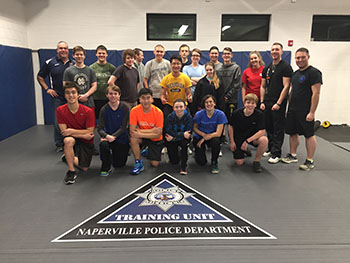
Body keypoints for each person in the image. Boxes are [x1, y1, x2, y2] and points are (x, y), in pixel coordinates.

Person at [281, 48, 322, 171]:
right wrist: (289, 106)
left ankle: (309, 160)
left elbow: (316, 94)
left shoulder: (314, 73)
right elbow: (292, 91)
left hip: (305, 110)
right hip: (293, 109)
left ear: (308, 57)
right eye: (297, 58)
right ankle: (293, 155)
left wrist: (312, 112)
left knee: (309, 134)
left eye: (302, 57)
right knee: (293, 133)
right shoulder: (295, 74)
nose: (300, 60)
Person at [37, 40, 73, 152]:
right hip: (57, 96)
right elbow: (40, 77)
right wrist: (47, 89)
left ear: (68, 50)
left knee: (71, 120)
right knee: (58, 121)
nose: (63, 50)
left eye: (65, 48)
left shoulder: (73, 62)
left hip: (71, 97)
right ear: (57, 50)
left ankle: (72, 141)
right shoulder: (50, 62)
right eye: (61, 48)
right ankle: (59, 143)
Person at [260, 42, 293, 164]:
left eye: (277, 49)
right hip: (267, 102)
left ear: (281, 52)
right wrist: (262, 101)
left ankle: (276, 153)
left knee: (278, 128)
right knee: (269, 127)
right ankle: (270, 148)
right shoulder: (267, 68)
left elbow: (286, 86)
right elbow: (263, 86)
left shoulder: (285, 67)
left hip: (278, 103)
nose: (274, 52)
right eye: (272, 49)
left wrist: (279, 103)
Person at [56, 82, 95, 185]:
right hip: (74, 138)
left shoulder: (88, 111)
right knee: (68, 141)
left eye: (73, 92)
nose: (71, 95)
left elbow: (90, 131)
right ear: (64, 95)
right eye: (68, 93)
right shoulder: (60, 110)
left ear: (78, 95)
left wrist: (72, 131)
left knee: (85, 168)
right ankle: (71, 171)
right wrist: (82, 134)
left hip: (85, 140)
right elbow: (65, 132)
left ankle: (68, 157)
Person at [228, 94, 268, 173]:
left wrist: (247, 141)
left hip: (252, 138)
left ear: (256, 105)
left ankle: (256, 162)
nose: (250, 105)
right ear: (244, 103)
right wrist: (232, 142)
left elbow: (262, 131)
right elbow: (230, 127)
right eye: (248, 102)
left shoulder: (259, 115)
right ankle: (245, 150)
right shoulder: (236, 113)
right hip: (238, 138)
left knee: (264, 140)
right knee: (239, 163)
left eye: (253, 103)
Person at [129, 88, 163, 175]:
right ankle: (138, 162)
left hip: (154, 139)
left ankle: (148, 151)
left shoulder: (158, 112)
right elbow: (132, 131)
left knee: (154, 164)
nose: (146, 101)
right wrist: (152, 131)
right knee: (133, 138)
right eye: (143, 98)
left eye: (148, 98)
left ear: (152, 99)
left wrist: (140, 132)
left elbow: (158, 134)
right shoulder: (134, 110)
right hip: (145, 136)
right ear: (139, 99)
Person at [97, 85, 130, 176]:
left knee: (119, 165)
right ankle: (105, 167)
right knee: (103, 144)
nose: (113, 96)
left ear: (119, 95)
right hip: (108, 138)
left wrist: (113, 136)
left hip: (121, 138)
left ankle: (110, 155)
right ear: (107, 95)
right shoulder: (104, 109)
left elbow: (124, 127)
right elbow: (100, 128)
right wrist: (106, 136)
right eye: (110, 94)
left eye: (115, 94)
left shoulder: (125, 108)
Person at [193, 95, 227, 174]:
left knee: (216, 142)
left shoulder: (220, 114)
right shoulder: (199, 114)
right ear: (204, 104)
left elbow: (218, 133)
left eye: (211, 102)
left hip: (213, 136)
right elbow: (194, 128)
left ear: (214, 103)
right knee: (201, 163)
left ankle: (214, 162)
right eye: (206, 102)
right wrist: (203, 135)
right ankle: (198, 153)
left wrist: (205, 138)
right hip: (200, 136)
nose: (209, 104)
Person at [164, 99, 193, 175]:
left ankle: (183, 166)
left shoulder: (189, 117)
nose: (179, 109)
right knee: (174, 162)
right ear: (173, 108)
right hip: (175, 138)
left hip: (182, 139)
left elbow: (188, 133)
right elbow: (168, 131)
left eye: (181, 107)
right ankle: (177, 155)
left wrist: (174, 137)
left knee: (184, 145)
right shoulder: (170, 117)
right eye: (176, 107)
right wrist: (182, 134)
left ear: (185, 107)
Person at [89, 45, 116, 119]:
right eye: (99, 53)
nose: (101, 55)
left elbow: (115, 84)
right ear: (96, 54)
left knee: (107, 119)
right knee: (96, 119)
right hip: (95, 98)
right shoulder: (91, 68)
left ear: (107, 54)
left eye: (103, 53)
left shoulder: (112, 68)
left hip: (108, 98)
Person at [143, 44, 171, 111]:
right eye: (157, 51)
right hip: (154, 94)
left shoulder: (167, 63)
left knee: (164, 114)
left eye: (161, 52)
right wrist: (148, 93)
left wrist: (168, 91)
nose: (159, 53)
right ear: (154, 52)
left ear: (164, 53)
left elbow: (171, 78)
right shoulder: (149, 64)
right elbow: (145, 79)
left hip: (165, 94)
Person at [216, 47, 241, 120]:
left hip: (232, 100)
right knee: (220, 121)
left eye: (228, 54)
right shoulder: (218, 69)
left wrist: (227, 96)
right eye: (224, 54)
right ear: (222, 56)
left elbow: (237, 85)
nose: (226, 55)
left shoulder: (236, 68)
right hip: (220, 101)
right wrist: (221, 97)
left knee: (231, 121)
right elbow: (217, 84)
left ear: (231, 55)